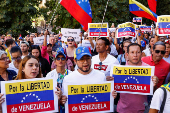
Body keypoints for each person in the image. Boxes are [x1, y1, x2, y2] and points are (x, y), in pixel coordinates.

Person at [115, 43, 158, 113]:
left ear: (141, 54)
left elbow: (153, 91)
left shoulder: (148, 69)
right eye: (132, 52)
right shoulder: (119, 69)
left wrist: (155, 84)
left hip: (142, 110)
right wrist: (109, 82)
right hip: (122, 109)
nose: (135, 55)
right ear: (127, 55)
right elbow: (114, 91)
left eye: (138, 52)